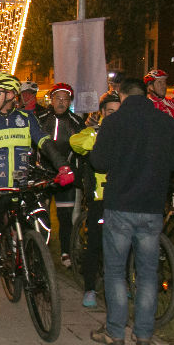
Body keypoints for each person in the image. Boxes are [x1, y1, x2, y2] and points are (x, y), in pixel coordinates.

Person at [89, 78, 174, 345]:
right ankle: (144, 332)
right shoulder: (165, 122)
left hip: (120, 204)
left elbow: (98, 162)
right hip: (152, 206)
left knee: (116, 271)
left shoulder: (114, 122)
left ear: (121, 96)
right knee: (147, 271)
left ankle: (115, 331)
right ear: (145, 94)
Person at [0, 73, 73, 319]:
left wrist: (62, 166)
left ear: (10, 95)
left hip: (21, 187)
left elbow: (45, 143)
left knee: (43, 226)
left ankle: (32, 261)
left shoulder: (27, 119)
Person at [69, 91, 121, 308]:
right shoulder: (93, 132)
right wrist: (98, 135)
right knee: (95, 244)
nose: (113, 116)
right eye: (109, 112)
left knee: (121, 245)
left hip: (122, 197)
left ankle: (121, 284)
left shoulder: (128, 133)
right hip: (99, 198)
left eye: (117, 112)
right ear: (101, 113)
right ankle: (90, 288)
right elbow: (76, 142)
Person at [36, 82, 85, 267]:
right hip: (43, 175)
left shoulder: (76, 122)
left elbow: (81, 151)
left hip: (66, 177)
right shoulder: (40, 118)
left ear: (70, 101)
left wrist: (78, 174)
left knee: (65, 218)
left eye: (66, 99)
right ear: (51, 99)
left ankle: (66, 253)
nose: (61, 102)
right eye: (58, 98)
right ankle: (41, 251)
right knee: (41, 216)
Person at [144, 69, 174, 139]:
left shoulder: (173, 103)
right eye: (159, 82)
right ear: (150, 86)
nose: (163, 86)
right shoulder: (145, 105)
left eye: (164, 82)